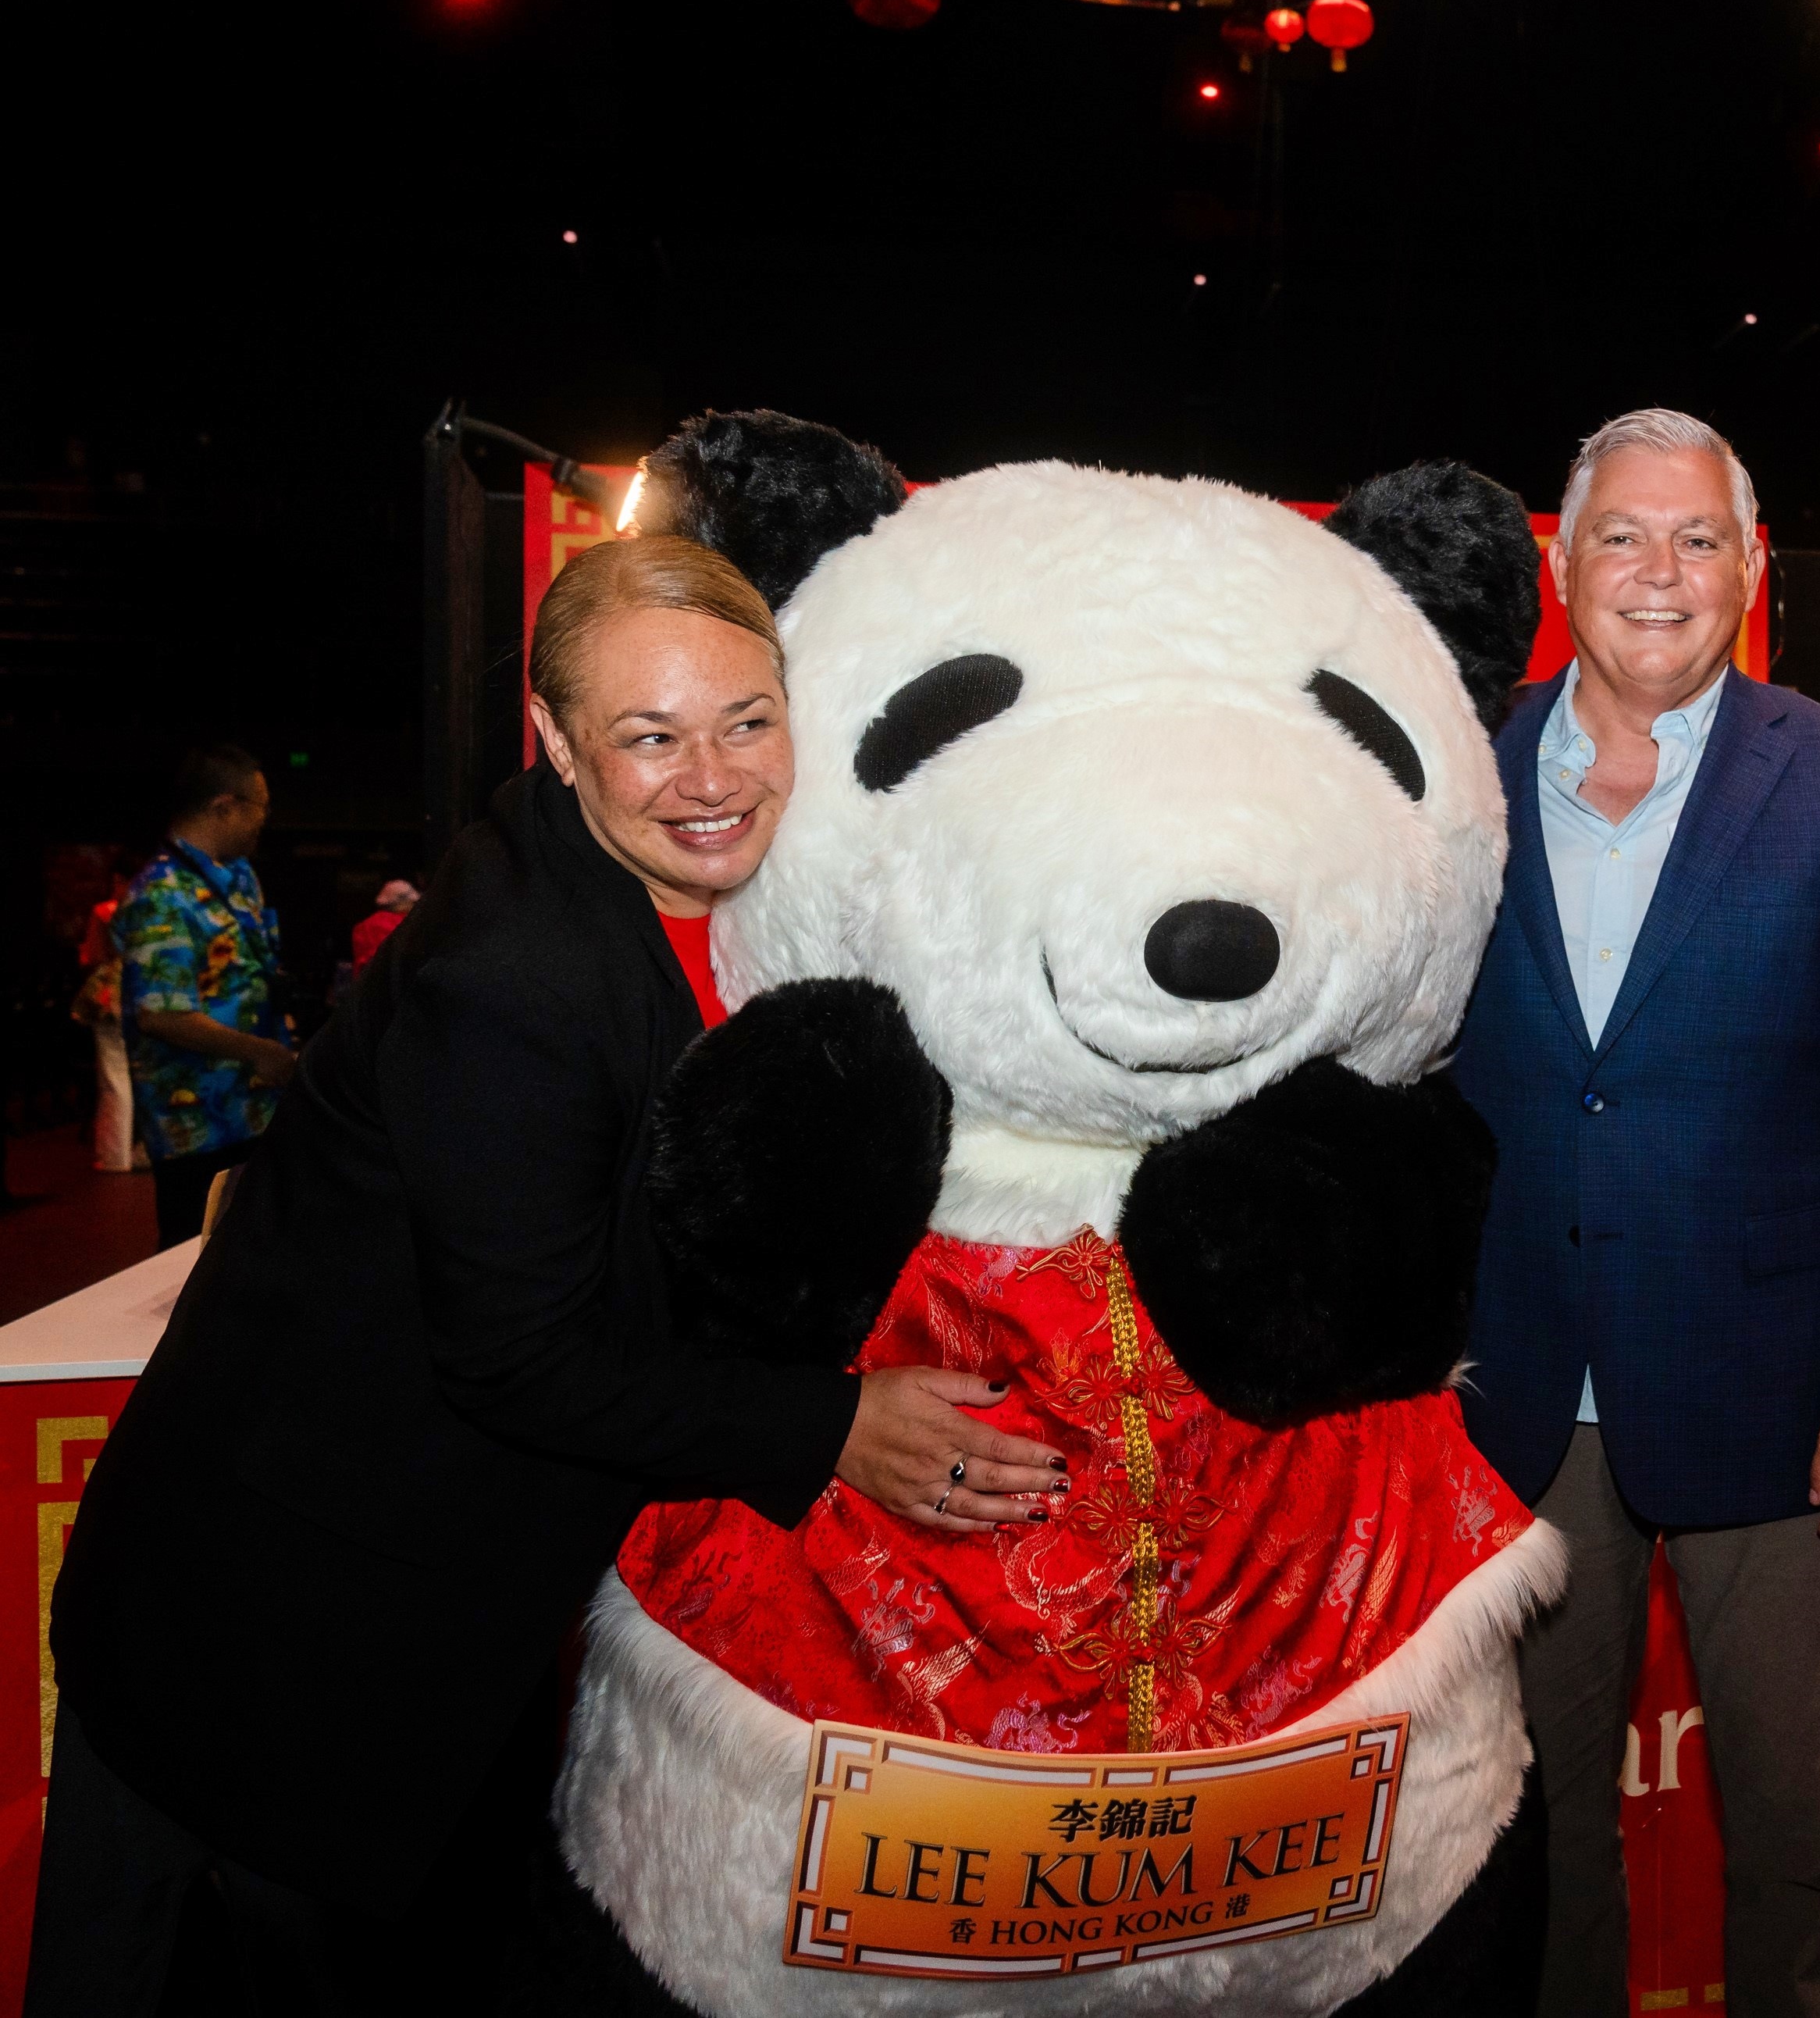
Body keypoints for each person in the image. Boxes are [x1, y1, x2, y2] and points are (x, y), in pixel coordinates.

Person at [36, 536, 1072, 2017]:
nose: (713, 778)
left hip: (323, 1600)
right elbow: (523, 1355)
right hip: (274, 1637)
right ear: (558, 739)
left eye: (748, 721)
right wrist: (833, 1423)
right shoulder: (513, 976)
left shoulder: (638, 883)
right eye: (651, 736)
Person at [1450, 407, 1820, 2018]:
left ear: (1749, 567)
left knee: (1802, 1838)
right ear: (1562, 564)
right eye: (1622, 535)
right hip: (1518, 1402)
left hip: (1782, 1405)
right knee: (1535, 1833)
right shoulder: (1451, 763)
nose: (1659, 572)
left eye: (1697, 539)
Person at [114, 745, 296, 1246]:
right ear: (224, 807)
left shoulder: (239, 880)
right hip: (196, 1127)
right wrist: (261, 1051)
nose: (265, 821)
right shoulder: (161, 894)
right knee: (192, 1260)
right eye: (260, 807)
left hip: (253, 1112)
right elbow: (162, 1015)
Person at [69, 886, 146, 1174]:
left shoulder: (105, 911)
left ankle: (116, 1156)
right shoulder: (150, 904)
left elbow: (93, 956)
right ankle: (145, 1150)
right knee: (144, 1074)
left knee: (115, 1076)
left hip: (112, 994)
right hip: (146, 993)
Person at [349, 877, 418, 974]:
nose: (414, 906)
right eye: (413, 903)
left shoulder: (364, 925)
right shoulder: (406, 923)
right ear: (403, 903)